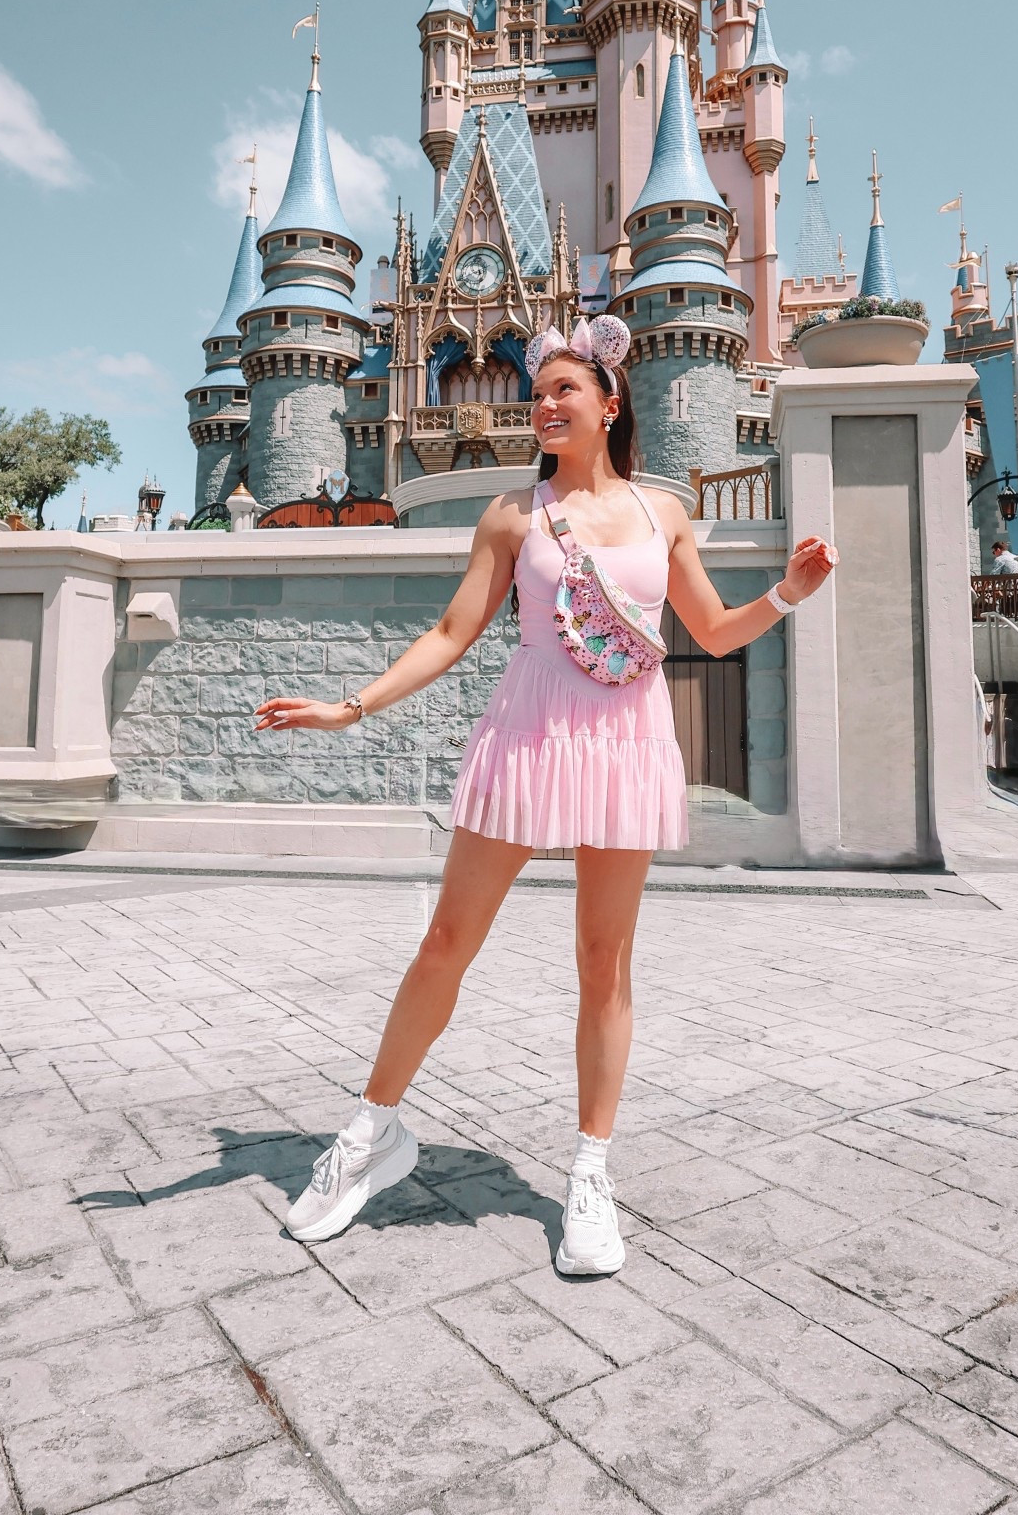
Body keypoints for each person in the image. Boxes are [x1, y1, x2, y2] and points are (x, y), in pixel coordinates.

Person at [254, 315, 838, 1277]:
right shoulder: (510, 517)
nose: (543, 405)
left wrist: (786, 591)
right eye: (539, 393)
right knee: (446, 942)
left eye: (563, 390)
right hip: (526, 734)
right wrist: (348, 707)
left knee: (604, 963)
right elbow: (450, 632)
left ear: (609, 405)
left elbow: (717, 632)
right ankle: (370, 1135)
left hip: (625, 740)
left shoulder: (664, 513)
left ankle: (589, 1173)